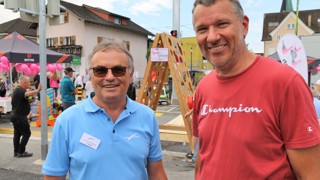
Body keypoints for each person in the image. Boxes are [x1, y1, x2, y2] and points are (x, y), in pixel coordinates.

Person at [192, 0, 320, 179]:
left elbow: (311, 175)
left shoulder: (285, 83)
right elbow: (203, 156)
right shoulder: (203, 88)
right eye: (202, 29)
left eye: (222, 24)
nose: (212, 37)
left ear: (244, 26)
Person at [42, 42, 167, 180]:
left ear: (130, 74)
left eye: (118, 70)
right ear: (91, 75)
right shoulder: (66, 121)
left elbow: (157, 173)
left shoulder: (147, 117)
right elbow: (53, 177)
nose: (109, 77)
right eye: (100, 71)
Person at [10, 75, 42, 158]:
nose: (29, 84)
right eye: (28, 83)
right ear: (24, 83)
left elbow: (25, 98)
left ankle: (16, 152)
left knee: (17, 134)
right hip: (19, 116)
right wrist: (37, 90)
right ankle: (21, 152)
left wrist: (29, 101)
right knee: (27, 133)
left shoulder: (17, 90)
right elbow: (27, 94)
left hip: (15, 115)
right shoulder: (21, 90)